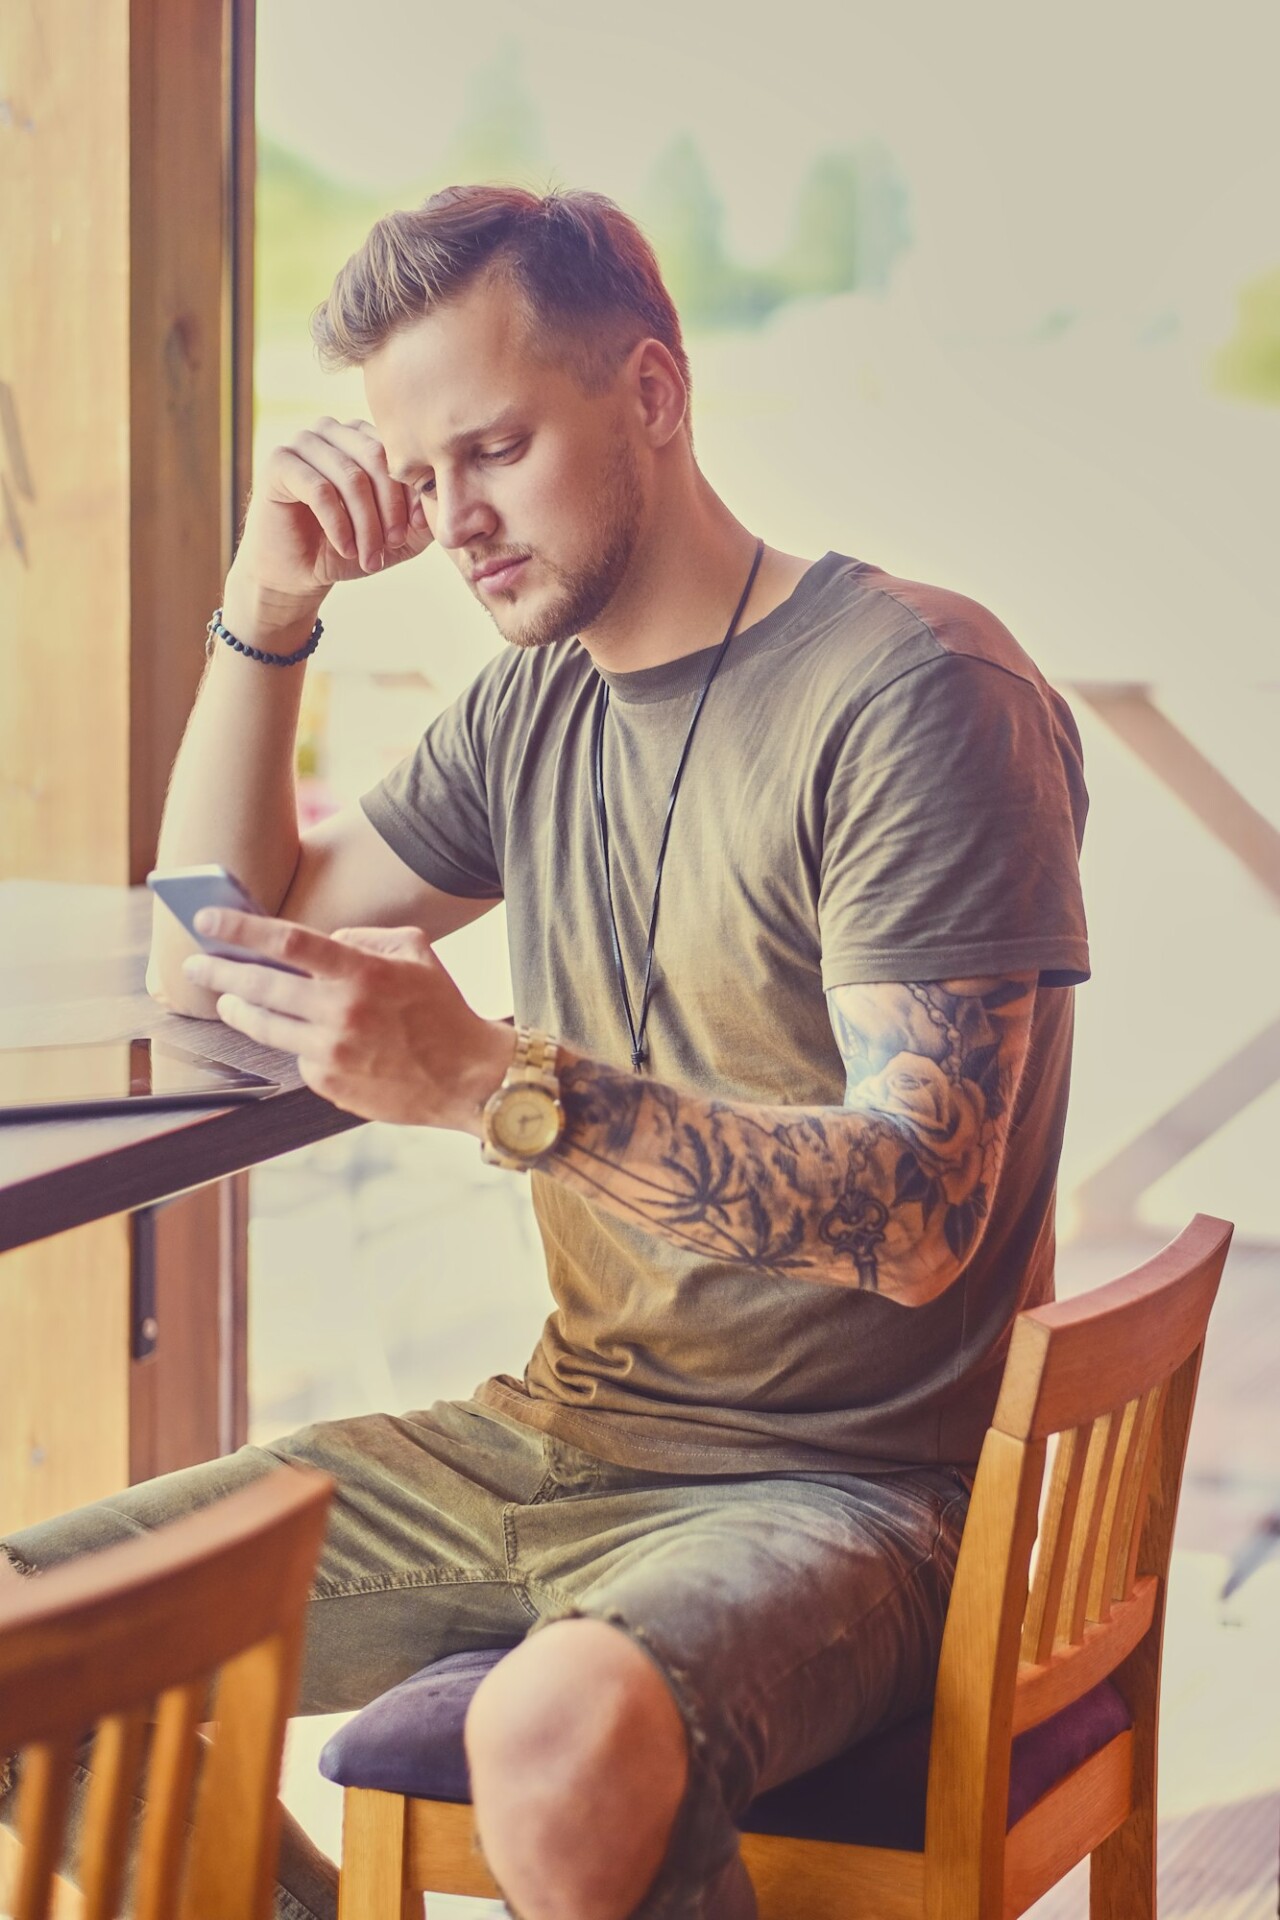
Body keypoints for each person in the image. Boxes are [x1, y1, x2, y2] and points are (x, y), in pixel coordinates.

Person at [0, 185, 1089, 1920]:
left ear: (652, 393)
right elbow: (210, 960)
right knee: (21, 1643)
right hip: (551, 1435)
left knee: (554, 1733)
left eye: (492, 451)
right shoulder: (539, 706)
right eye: (420, 480)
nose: (454, 524)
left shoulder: (917, 691)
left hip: (854, 1492)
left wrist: (498, 1084)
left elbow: (918, 1216)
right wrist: (266, 601)